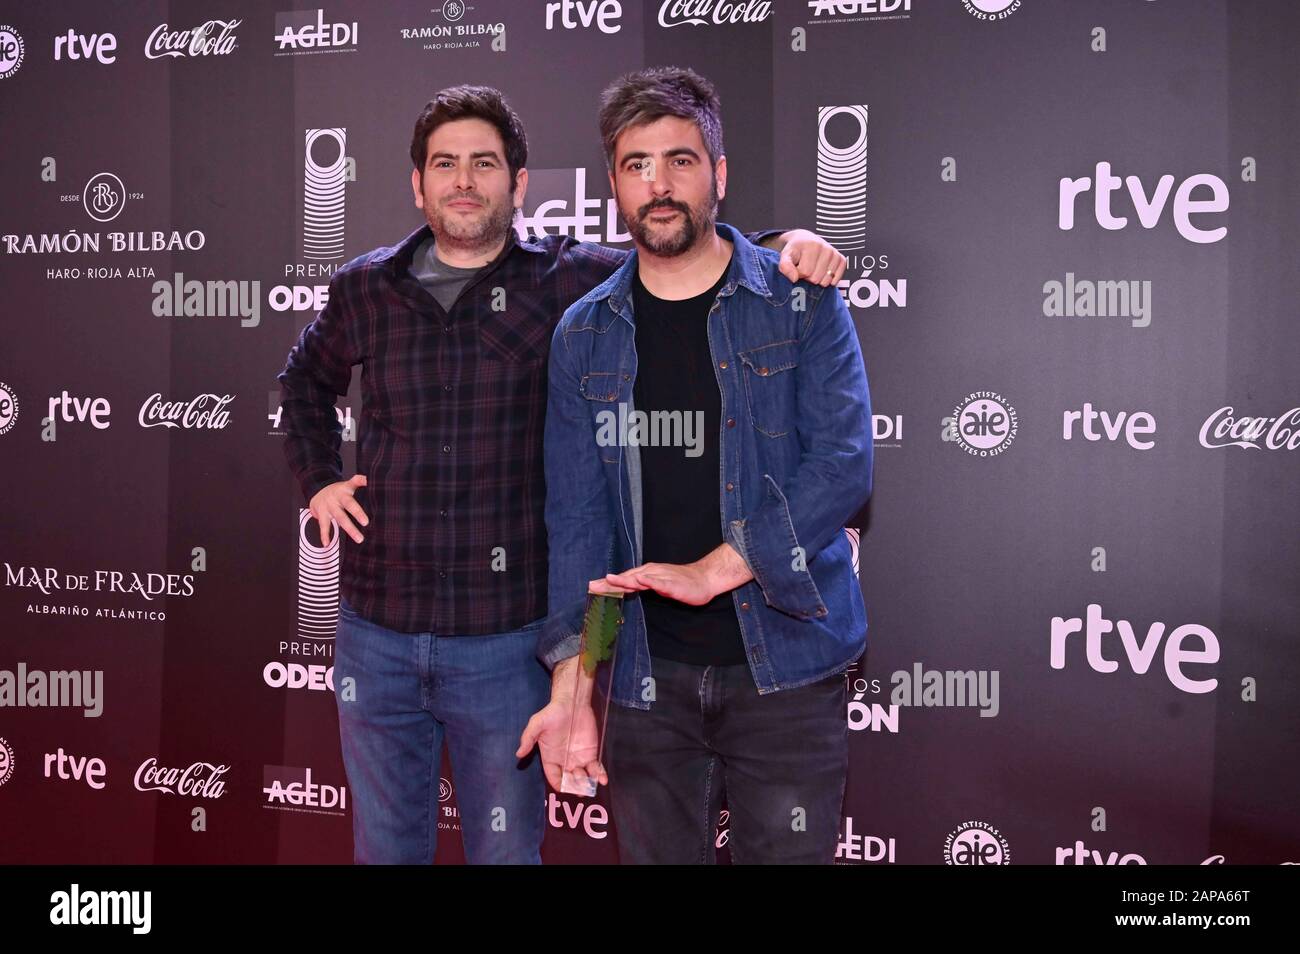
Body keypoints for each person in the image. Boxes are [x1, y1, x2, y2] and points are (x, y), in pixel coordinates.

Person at [278, 83, 847, 864]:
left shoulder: (571, 284)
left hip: (506, 645)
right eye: (445, 165)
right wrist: (318, 475)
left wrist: (788, 243)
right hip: (380, 629)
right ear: (418, 184)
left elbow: (686, 245)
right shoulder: (366, 288)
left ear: (519, 183)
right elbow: (303, 381)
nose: (464, 181)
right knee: (383, 850)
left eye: (485, 163)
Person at [521, 67, 873, 864]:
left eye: (680, 160)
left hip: (787, 666)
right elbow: (579, 525)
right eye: (637, 164)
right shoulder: (583, 334)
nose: (659, 183)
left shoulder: (798, 302)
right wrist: (574, 687)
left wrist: (721, 567)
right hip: (645, 678)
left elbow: (845, 465)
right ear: (613, 184)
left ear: (718, 174)